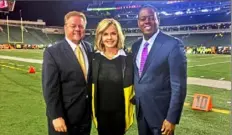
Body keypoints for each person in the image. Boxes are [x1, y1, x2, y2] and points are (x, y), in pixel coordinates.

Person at [132, 5, 187, 135]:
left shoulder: (172, 44)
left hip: (161, 115)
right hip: (141, 112)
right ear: (138, 22)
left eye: (151, 18)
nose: (147, 21)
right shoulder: (135, 46)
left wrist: (171, 118)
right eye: (143, 18)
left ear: (158, 20)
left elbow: (179, 85)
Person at [42, 11, 92, 135]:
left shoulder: (89, 48)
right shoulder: (52, 52)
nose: (77, 29)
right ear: (65, 28)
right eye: (73, 26)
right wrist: (55, 116)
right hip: (64, 118)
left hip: (85, 117)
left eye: (81, 26)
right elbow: (50, 88)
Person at [91, 18, 134, 135]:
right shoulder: (94, 58)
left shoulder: (128, 59)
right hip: (100, 115)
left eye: (113, 33)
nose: (109, 38)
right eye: (105, 34)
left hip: (121, 115)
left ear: (119, 35)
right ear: (100, 36)